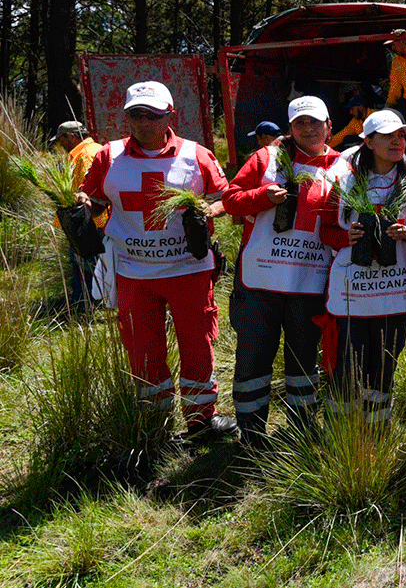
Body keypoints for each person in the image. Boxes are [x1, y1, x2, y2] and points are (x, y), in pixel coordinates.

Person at [76, 81, 236, 440]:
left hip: (189, 270)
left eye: (152, 115)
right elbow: (94, 198)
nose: (143, 122)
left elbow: (229, 197)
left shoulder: (196, 154)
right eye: (136, 114)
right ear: (127, 117)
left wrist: (208, 209)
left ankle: (200, 420)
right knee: (142, 347)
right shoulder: (109, 156)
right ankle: (154, 423)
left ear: (170, 115)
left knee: (197, 343)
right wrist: (83, 204)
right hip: (133, 272)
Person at [221, 96, 338, 449]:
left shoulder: (343, 166)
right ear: (290, 128)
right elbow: (230, 199)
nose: (308, 128)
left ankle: (301, 427)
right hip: (261, 280)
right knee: (254, 354)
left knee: (304, 356)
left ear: (329, 126)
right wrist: (261, 197)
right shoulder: (266, 159)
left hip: (310, 281)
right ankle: (252, 433)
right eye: (300, 123)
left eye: (315, 122)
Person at [321, 110, 406, 424]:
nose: (398, 142)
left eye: (402, 136)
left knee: (384, 364)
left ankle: (378, 428)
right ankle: (341, 431)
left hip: (394, 293)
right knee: (347, 363)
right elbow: (326, 228)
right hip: (351, 292)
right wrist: (345, 236)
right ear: (368, 142)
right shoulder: (344, 179)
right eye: (389, 136)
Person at [53, 120, 104, 311]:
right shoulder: (90, 151)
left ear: (71, 136)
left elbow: (88, 191)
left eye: (61, 140)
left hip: (89, 220)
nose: (60, 145)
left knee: (83, 264)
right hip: (91, 219)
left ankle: (83, 306)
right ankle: (92, 303)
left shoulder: (86, 156)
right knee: (89, 263)